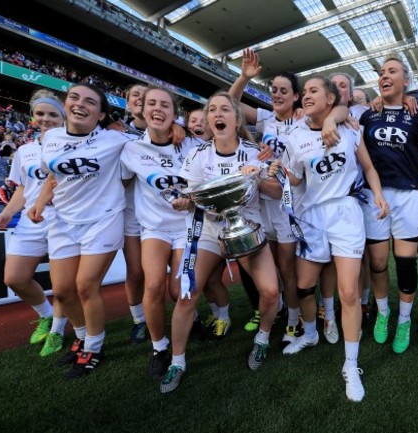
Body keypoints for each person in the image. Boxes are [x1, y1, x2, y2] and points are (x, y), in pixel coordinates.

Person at [160, 92, 281, 393]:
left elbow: (277, 193)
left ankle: (262, 339)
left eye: (225, 109)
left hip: (246, 228)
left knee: (270, 291)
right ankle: (177, 361)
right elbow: (192, 198)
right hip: (212, 231)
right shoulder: (197, 156)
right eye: (212, 109)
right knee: (187, 294)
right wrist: (182, 203)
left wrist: (257, 177)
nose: (218, 114)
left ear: (237, 119)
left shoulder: (255, 152)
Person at [229, 49, 350, 345]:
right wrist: (244, 77)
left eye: (284, 91)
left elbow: (341, 110)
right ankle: (284, 310)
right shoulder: (266, 119)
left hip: (294, 203)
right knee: (274, 266)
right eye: (274, 90)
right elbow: (229, 105)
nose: (277, 95)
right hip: (265, 202)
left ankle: (300, 319)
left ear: (296, 97)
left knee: (291, 266)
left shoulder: (304, 121)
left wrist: (332, 119)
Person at [281, 75, 388, 402]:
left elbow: (368, 168)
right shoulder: (294, 137)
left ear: (331, 99)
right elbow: (296, 181)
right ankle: (311, 334)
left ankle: (351, 365)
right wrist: (278, 174)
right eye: (305, 92)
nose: (306, 95)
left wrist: (379, 195)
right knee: (303, 287)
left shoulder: (350, 128)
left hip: (346, 213)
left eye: (315, 90)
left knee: (348, 292)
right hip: (313, 217)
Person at [28, 83, 133, 379]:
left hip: (104, 219)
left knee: (86, 286)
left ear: (100, 114)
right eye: (74, 98)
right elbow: (52, 176)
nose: (79, 104)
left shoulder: (115, 139)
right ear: (66, 104)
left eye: (89, 102)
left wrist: (176, 132)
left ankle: (95, 348)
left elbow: (151, 138)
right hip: (62, 220)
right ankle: (82, 338)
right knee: (62, 291)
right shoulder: (49, 137)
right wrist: (38, 203)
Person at [120, 86, 197, 378]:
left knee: (179, 291)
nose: (158, 109)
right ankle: (159, 346)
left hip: (186, 226)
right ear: (141, 109)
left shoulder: (189, 145)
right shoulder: (131, 149)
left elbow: (201, 183)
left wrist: (190, 200)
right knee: (152, 286)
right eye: (152, 103)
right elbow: (121, 184)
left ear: (175, 114)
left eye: (165, 105)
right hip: (153, 227)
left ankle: (189, 322)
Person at [0, 89, 68, 357]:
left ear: (63, 115)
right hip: (30, 220)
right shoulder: (24, 151)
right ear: (32, 117)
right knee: (14, 278)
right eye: (40, 114)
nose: (46, 118)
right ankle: (46, 315)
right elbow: (23, 189)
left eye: (52, 114)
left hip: (65, 220)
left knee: (62, 287)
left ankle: (58, 331)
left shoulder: (74, 145)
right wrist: (5, 213)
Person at [361, 56, 418, 355]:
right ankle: (383, 312)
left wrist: (412, 98)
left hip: (408, 195)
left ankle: (403, 320)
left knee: (405, 264)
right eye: (382, 72)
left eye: (392, 72)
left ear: (406, 81)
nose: (384, 76)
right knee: (376, 263)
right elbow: (338, 109)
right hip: (374, 196)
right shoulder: (368, 116)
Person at [121, 83, 148, 345]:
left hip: (167, 216)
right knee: (136, 272)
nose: (140, 99)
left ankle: (192, 314)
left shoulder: (172, 132)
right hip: (132, 215)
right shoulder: (116, 135)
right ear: (127, 104)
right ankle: (139, 320)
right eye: (134, 96)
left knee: (177, 272)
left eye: (144, 95)